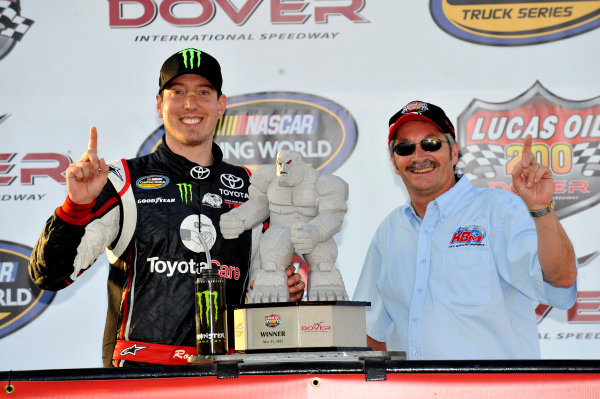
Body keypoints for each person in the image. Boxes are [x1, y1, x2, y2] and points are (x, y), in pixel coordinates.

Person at [28, 48, 305, 367]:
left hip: (226, 380)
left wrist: (285, 294)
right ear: (160, 104)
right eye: (178, 92)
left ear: (221, 105)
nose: (191, 103)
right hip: (141, 379)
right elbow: (48, 276)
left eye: (203, 92)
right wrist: (75, 206)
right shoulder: (120, 181)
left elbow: (263, 298)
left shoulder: (252, 188)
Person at [353, 100, 577, 360]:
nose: (418, 156)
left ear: (454, 152)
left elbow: (561, 280)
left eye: (431, 143)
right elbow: (369, 333)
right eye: (404, 148)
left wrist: (541, 208)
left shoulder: (498, 210)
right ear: (394, 162)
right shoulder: (389, 232)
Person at [220, 149, 349, 303]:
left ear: (299, 163)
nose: (282, 168)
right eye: (279, 164)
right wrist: (239, 217)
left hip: (312, 230)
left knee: (324, 264)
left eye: (288, 163)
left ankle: (326, 280)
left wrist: (315, 231)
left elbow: (333, 215)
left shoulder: (324, 182)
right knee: (270, 267)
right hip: (278, 232)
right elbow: (259, 204)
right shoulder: (268, 178)